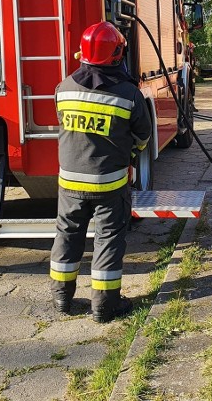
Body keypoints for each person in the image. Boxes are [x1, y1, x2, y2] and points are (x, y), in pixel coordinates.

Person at [50, 21, 152, 323]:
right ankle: (105, 306)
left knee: (67, 235)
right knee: (108, 239)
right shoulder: (128, 95)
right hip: (109, 184)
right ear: (117, 54)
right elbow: (143, 137)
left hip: (69, 182)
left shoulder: (64, 86)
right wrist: (128, 154)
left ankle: (62, 299)